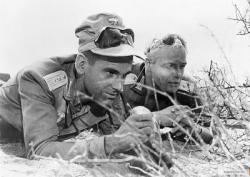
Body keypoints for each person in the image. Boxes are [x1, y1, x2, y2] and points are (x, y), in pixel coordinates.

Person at [0, 13, 156, 160]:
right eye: (110, 73)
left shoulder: (109, 92)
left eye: (124, 75)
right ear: (82, 64)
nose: (120, 87)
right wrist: (111, 144)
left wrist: (142, 138)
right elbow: (39, 151)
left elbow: (119, 140)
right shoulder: (39, 79)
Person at [123, 34, 213, 144]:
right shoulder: (125, 79)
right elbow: (110, 130)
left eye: (182, 66)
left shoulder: (187, 86)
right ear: (148, 64)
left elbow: (210, 134)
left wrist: (193, 129)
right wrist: (157, 117)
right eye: (170, 66)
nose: (178, 74)